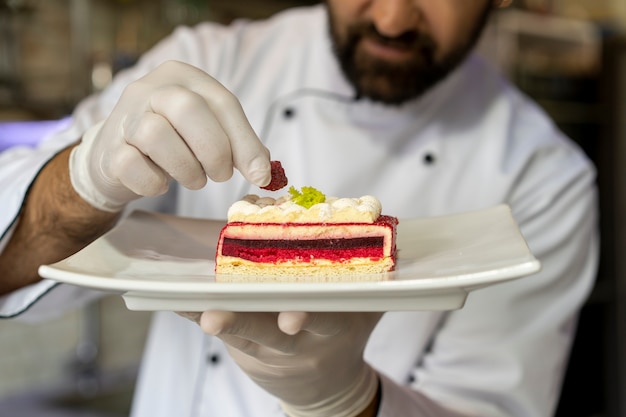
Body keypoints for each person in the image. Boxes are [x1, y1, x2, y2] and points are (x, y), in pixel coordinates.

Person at [0, 1, 598, 416]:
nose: (392, 17)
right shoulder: (206, 59)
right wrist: (87, 180)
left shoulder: (544, 174)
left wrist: (342, 400)